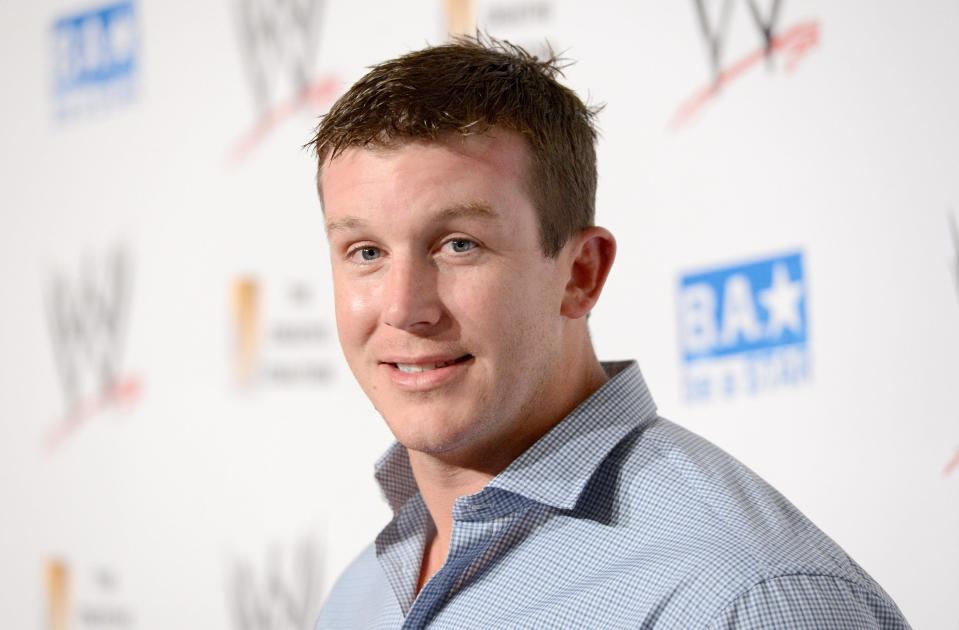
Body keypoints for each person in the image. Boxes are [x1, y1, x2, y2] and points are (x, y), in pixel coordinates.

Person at [308, 37, 910, 629]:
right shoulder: (361, 596)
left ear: (580, 273)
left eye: (459, 244)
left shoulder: (746, 600)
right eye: (365, 252)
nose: (404, 307)